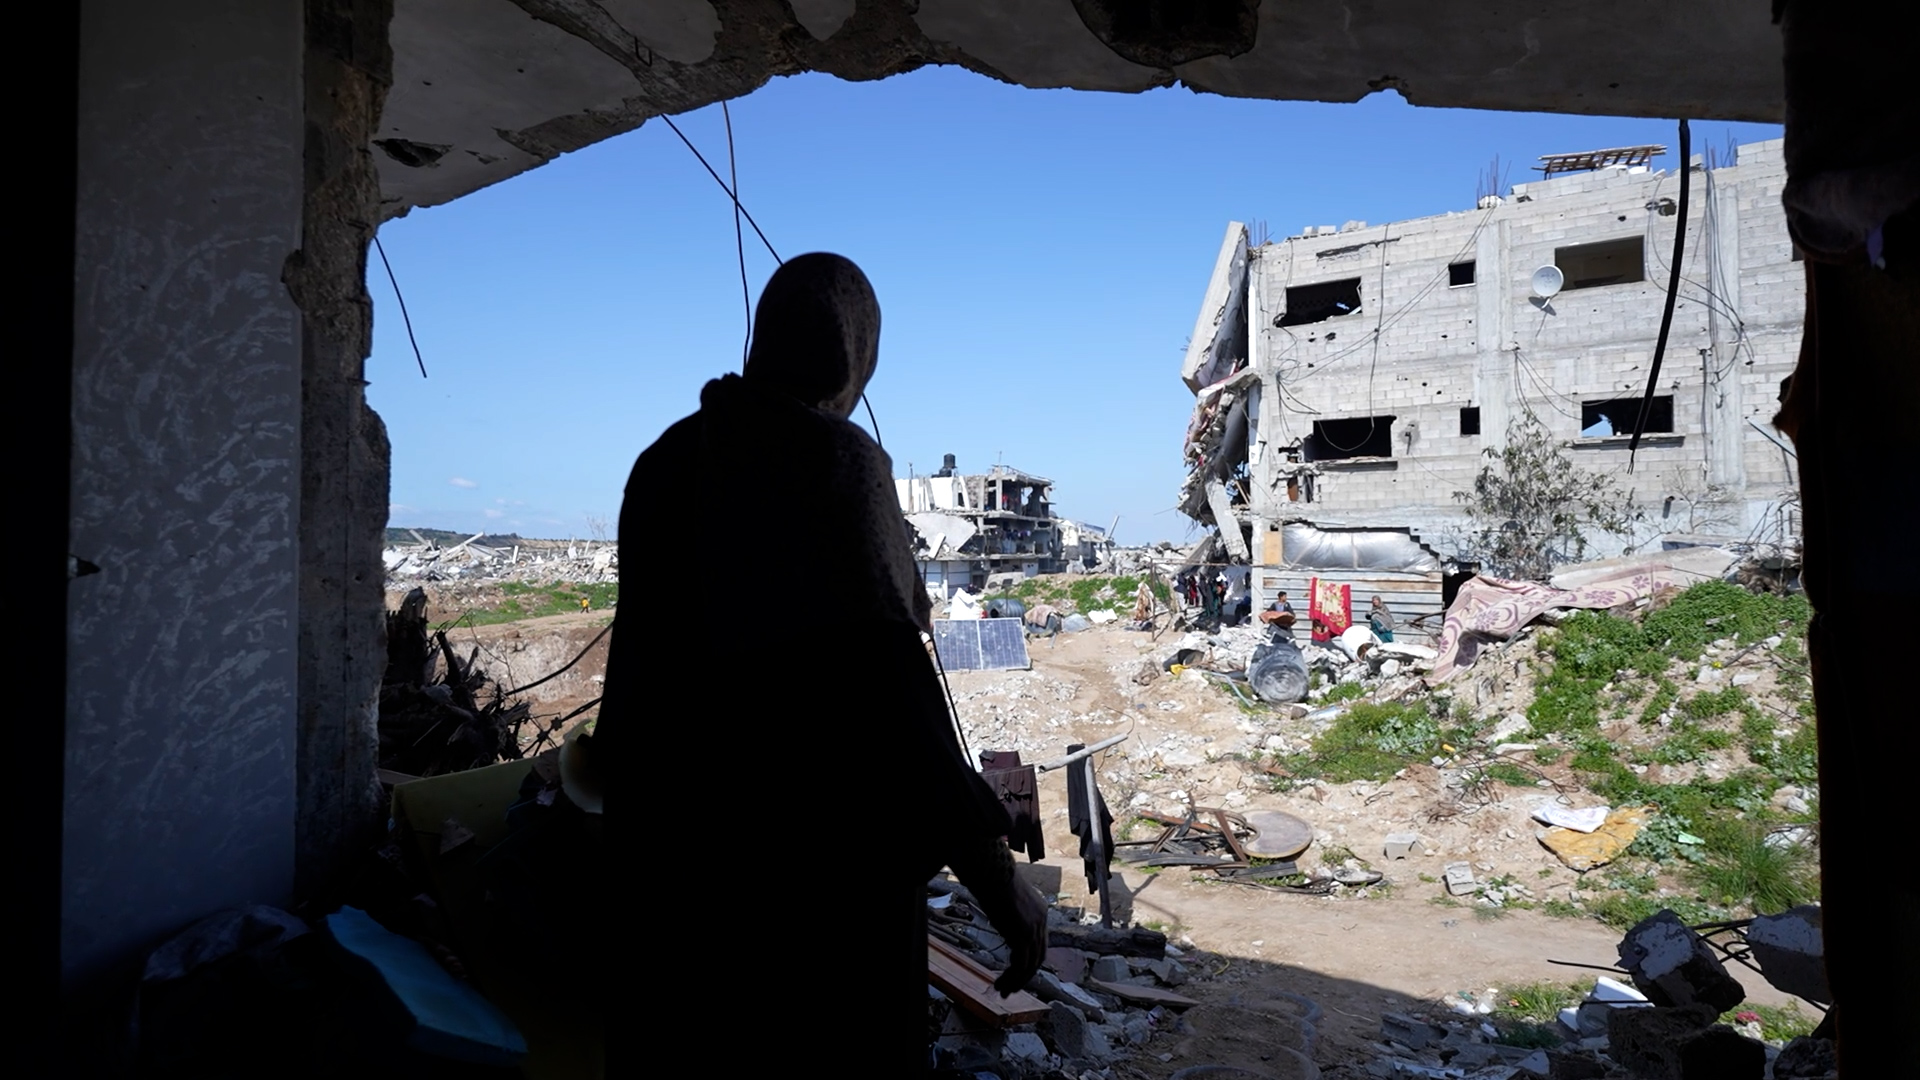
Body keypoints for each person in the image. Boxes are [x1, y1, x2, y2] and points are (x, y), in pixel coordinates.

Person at [580, 254, 1045, 1071]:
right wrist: (999, 884)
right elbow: (893, 693)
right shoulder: (832, 461)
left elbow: (639, 675)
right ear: (855, 350)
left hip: (668, 865)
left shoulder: (663, 461)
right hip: (816, 892)